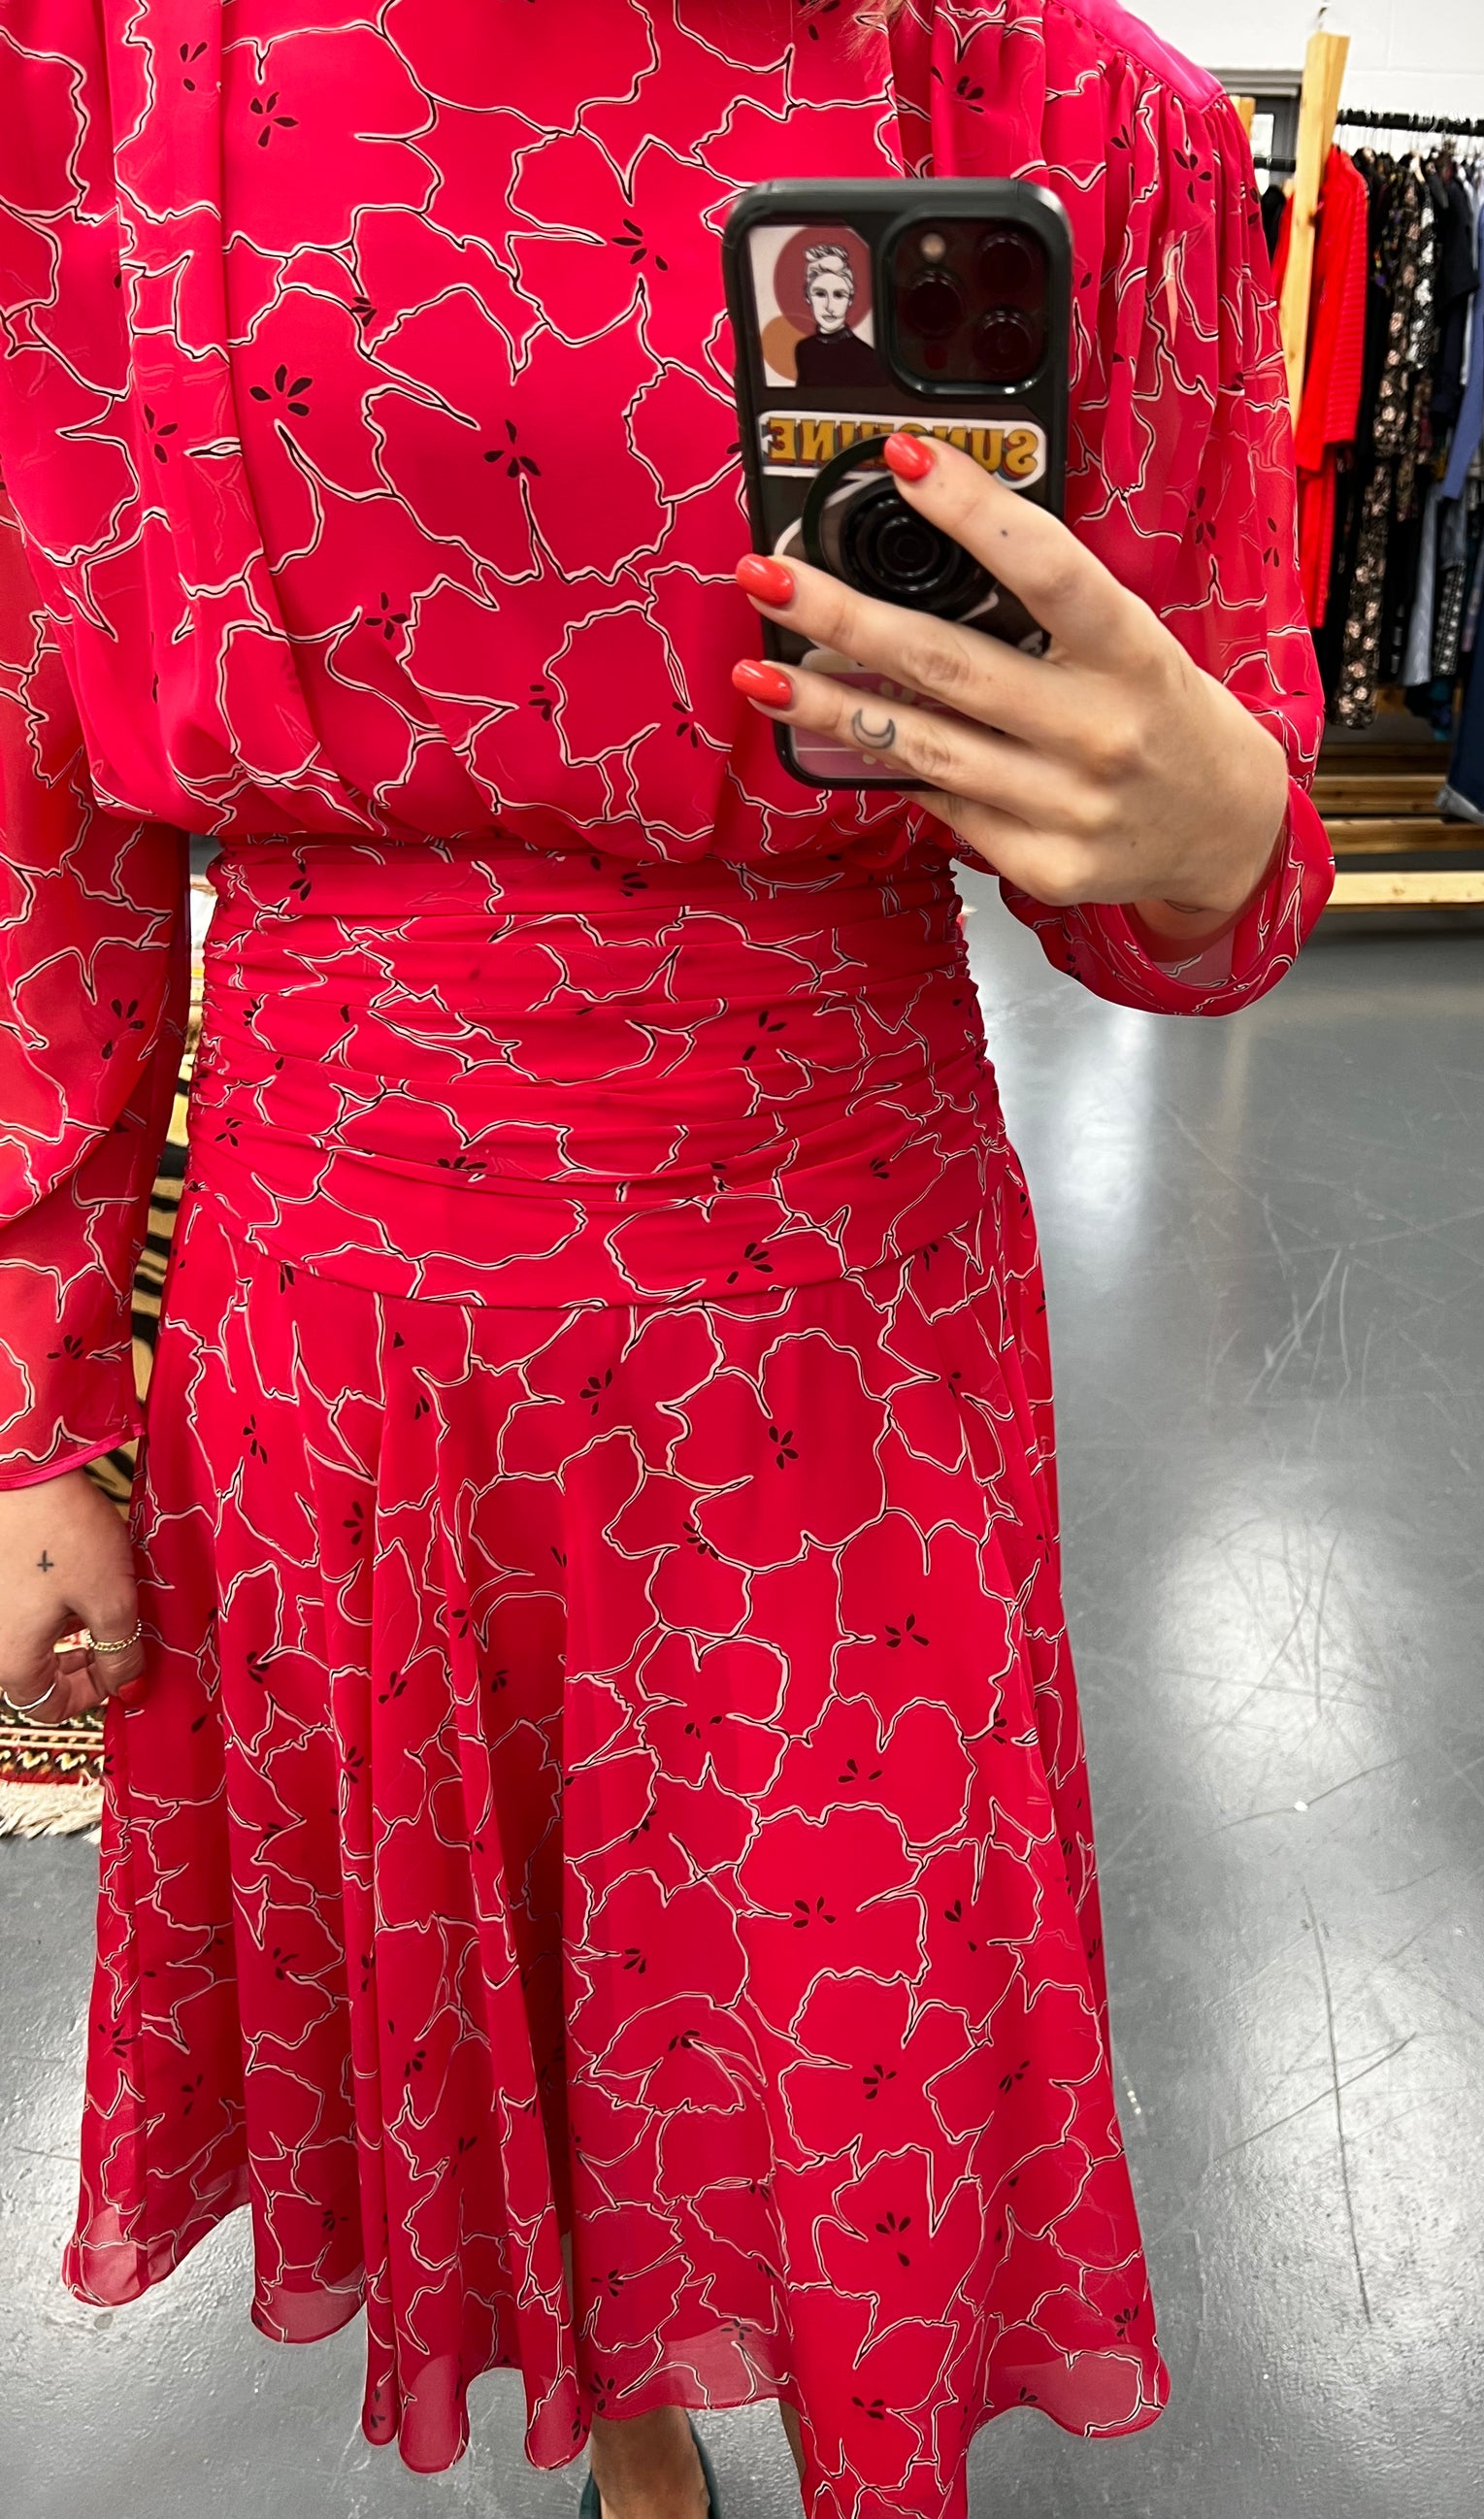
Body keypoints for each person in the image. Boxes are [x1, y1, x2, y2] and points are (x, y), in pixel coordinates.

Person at [0, 0, 1332, 2514]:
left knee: (854, 2020)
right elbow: (31, 793)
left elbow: (1200, 882)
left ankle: (847, 2438)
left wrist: (1215, 822)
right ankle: (631, 2439)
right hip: (343, 1313)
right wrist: (30, 1390)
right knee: (506, 1991)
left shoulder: (1075, 117)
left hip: (829, 1322)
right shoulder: (95, 70)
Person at [794, 244, 881, 386]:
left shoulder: (868, 356)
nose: (829, 307)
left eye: (839, 295)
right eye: (820, 294)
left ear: (850, 300)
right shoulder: (804, 349)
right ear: (807, 297)